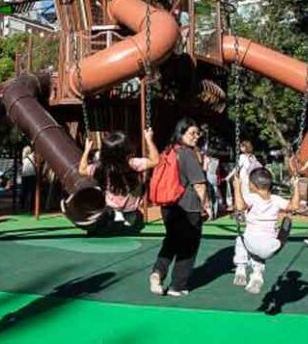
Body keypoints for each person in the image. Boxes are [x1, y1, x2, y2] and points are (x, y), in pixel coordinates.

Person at [150, 118, 210, 297]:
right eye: (192, 133)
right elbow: (199, 184)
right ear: (181, 133)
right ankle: (178, 285)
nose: (196, 137)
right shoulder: (186, 154)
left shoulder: (168, 151)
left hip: (168, 205)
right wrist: (205, 206)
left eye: (197, 133)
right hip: (188, 206)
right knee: (188, 246)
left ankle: (157, 272)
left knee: (171, 240)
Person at [232, 168, 300, 294]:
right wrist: (296, 186)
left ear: (253, 185)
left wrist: (237, 186)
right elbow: (295, 206)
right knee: (286, 222)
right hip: (272, 248)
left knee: (241, 239)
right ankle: (257, 273)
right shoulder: (276, 199)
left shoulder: (252, 198)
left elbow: (240, 206)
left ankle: (241, 267)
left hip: (252, 242)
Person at [78, 129, 160, 230]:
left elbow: (82, 170)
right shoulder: (132, 164)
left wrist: (86, 150)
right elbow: (155, 160)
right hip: (130, 209)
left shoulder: (101, 168)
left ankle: (115, 219)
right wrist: (149, 139)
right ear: (124, 152)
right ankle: (125, 221)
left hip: (112, 207)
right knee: (136, 225)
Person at [20, 145, 37, 212]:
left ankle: (22, 205)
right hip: (31, 175)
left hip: (24, 175)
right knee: (32, 191)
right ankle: (32, 206)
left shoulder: (24, 159)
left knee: (24, 191)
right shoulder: (32, 156)